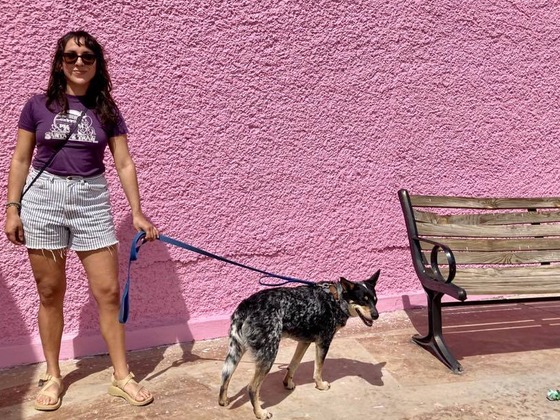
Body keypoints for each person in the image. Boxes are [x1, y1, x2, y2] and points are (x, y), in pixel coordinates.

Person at [4, 30, 158, 410]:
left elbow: (123, 162)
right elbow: (21, 159)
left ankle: (121, 376)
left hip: (92, 200)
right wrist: (11, 207)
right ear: (60, 61)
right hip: (43, 200)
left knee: (107, 291)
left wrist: (136, 211)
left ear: (97, 64)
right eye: (71, 55)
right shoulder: (37, 105)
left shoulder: (106, 108)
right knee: (50, 293)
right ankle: (53, 375)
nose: (79, 62)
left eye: (87, 56)